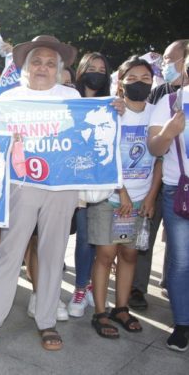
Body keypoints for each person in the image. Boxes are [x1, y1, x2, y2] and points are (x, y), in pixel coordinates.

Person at [0, 35, 83, 351]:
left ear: (59, 70)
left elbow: (88, 133)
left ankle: (47, 321)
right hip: (21, 185)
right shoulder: (7, 99)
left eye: (51, 63)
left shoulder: (73, 97)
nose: (43, 67)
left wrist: (112, 111)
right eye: (37, 61)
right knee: (10, 251)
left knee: (53, 253)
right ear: (24, 66)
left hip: (61, 187)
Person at [89, 56, 160, 339]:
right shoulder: (112, 111)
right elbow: (101, 154)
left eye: (145, 79)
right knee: (106, 255)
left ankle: (121, 308)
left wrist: (151, 197)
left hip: (142, 199)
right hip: (110, 196)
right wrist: (122, 191)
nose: (139, 83)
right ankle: (99, 312)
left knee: (129, 254)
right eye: (133, 79)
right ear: (121, 82)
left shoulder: (157, 113)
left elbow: (160, 160)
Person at [131, 40, 189, 310]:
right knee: (147, 235)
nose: (164, 65)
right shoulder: (163, 95)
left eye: (169, 59)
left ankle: (171, 285)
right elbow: (152, 143)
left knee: (178, 252)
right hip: (161, 179)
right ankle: (137, 288)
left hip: (177, 184)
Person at [147, 52, 189, 352]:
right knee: (182, 262)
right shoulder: (171, 101)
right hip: (180, 190)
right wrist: (168, 132)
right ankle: (183, 324)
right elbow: (153, 147)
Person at [67, 52, 113, 318]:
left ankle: (83, 287)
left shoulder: (112, 104)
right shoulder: (69, 101)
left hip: (99, 183)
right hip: (71, 180)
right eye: (91, 67)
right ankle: (80, 286)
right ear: (81, 70)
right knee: (81, 239)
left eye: (102, 68)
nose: (96, 72)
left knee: (91, 239)